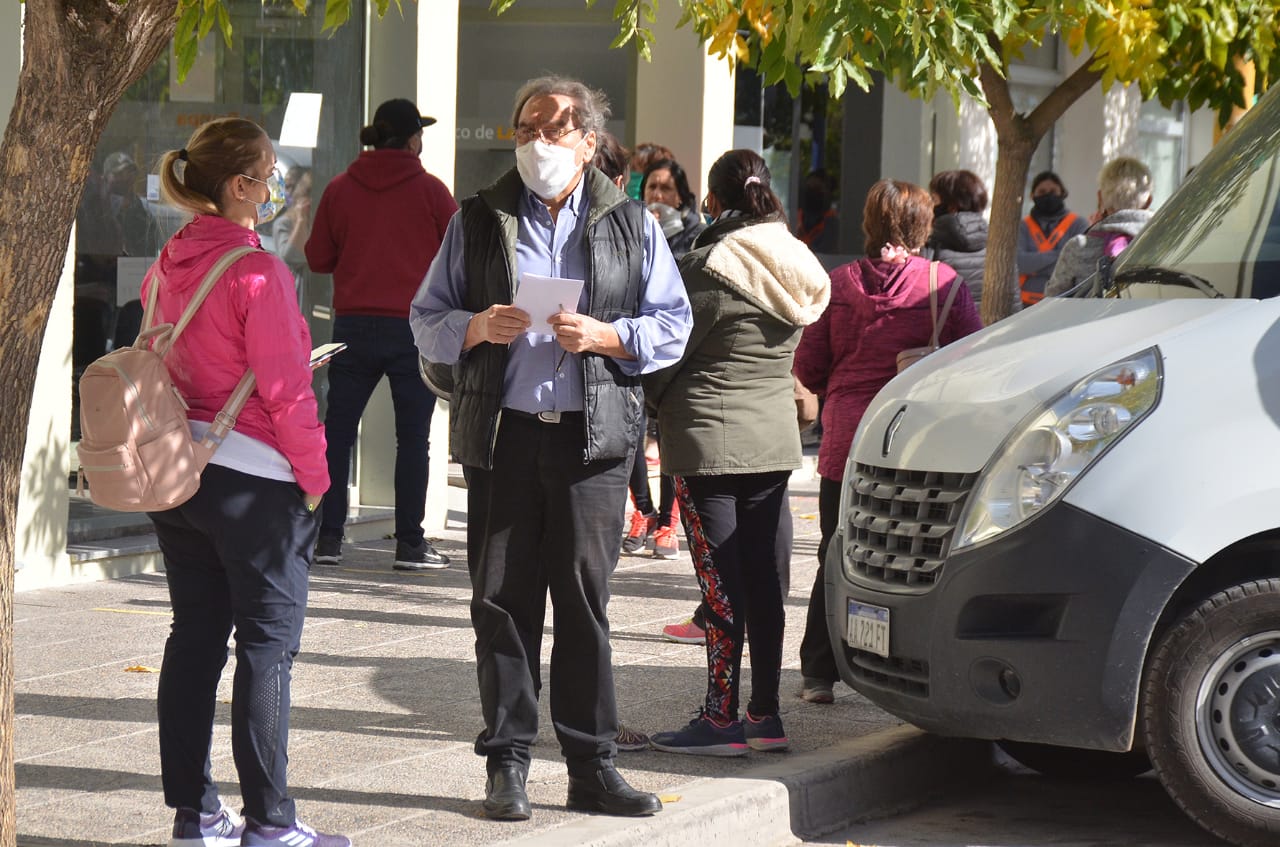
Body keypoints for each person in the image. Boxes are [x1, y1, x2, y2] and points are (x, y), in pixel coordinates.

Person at [411, 75, 691, 820]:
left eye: (555, 128)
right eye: (526, 127)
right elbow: (425, 315)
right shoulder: (476, 219)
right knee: (501, 603)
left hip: (591, 444)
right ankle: (506, 761)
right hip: (502, 439)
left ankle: (591, 764)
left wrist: (609, 336)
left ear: (589, 142)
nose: (538, 141)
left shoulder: (632, 223)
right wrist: (475, 327)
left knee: (584, 605)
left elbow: (673, 323)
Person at [142, 117, 347, 847]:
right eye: (269, 176)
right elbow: (289, 394)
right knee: (268, 647)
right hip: (257, 478)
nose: (275, 188)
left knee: (195, 636)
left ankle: (195, 813)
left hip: (182, 471)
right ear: (239, 184)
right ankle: (270, 822)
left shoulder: (173, 256)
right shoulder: (259, 271)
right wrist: (318, 480)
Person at [646, 149, 830, 756]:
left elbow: (666, 355)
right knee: (764, 585)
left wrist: (648, 404)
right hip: (776, 443)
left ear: (716, 202)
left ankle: (719, 718)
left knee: (722, 587)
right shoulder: (797, 265)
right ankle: (766, 715)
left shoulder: (705, 268)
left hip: (708, 443)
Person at [792, 178, 983, 705]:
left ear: (868, 223)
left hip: (845, 440)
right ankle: (896, 664)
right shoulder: (943, 284)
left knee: (836, 551)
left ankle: (816, 674)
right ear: (923, 227)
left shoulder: (840, 283)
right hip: (915, 442)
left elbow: (808, 365)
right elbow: (973, 356)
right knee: (905, 557)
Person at [305, 98, 458, 571]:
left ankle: (327, 539)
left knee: (337, 432)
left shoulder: (339, 189)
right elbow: (461, 254)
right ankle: (410, 545)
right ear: (413, 140)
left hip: (351, 326)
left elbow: (317, 258)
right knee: (413, 438)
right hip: (412, 328)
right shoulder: (431, 192)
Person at [622, 157, 705, 560]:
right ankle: (642, 510)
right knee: (632, 432)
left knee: (669, 433)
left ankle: (669, 522)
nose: (657, 196)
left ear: (681, 195)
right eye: (651, 188)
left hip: (674, 349)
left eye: (666, 189)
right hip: (632, 342)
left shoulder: (696, 235)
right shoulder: (630, 227)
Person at [1046, 157, 1155, 298]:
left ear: (1100, 198)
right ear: (1149, 201)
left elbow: (1052, 300)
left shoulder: (1078, 247)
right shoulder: (1165, 244)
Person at [926, 169, 997, 310]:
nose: (929, 206)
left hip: (947, 330)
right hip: (991, 330)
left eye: (933, 200)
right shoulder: (999, 247)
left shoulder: (930, 247)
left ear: (952, 206)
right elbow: (1012, 303)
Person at [1017, 170, 1087, 305]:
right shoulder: (1022, 226)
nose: (1048, 195)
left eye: (1053, 191)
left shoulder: (1078, 224)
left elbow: (1077, 264)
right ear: (1032, 196)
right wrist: (1063, 255)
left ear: (1062, 193)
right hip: (1024, 305)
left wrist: (1035, 265)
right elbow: (1020, 263)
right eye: (1042, 192)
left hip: (1063, 305)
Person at [272, 166, 312, 302]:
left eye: (290, 186)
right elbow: (291, 256)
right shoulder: (284, 223)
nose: (286, 192)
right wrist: (301, 220)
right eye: (284, 186)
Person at [795, 169, 839, 254]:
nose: (811, 193)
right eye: (808, 188)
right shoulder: (795, 217)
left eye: (817, 188)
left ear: (828, 193)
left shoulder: (833, 222)